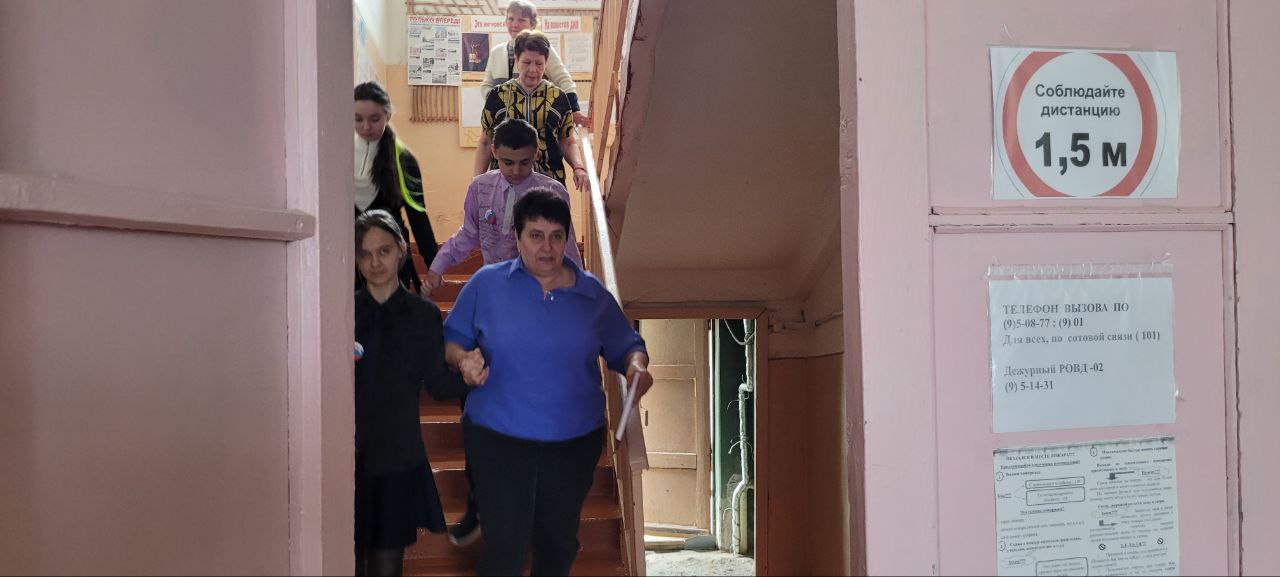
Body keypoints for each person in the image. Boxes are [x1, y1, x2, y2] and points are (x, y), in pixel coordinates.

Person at [443, 190, 653, 576]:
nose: (547, 247)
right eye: (536, 235)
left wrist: (636, 367)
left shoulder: (592, 295)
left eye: (557, 236)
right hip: (497, 436)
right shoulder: (486, 285)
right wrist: (463, 360)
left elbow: (627, 346)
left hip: (573, 441)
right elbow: (451, 340)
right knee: (506, 546)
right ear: (517, 237)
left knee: (558, 544)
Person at [354, 210, 468, 577]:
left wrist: (476, 375)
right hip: (348, 456)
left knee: (386, 565)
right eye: (365, 254)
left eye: (384, 251)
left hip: (397, 456)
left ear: (402, 251)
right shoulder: (342, 311)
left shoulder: (423, 315)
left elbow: (437, 384)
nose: (375, 263)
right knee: (345, 558)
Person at [424, 118, 582, 297]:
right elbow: (468, 234)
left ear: (536, 154)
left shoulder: (553, 192)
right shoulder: (479, 188)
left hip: (538, 290)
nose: (516, 170)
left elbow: (566, 245)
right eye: (508, 162)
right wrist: (437, 267)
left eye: (524, 162)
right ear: (494, 152)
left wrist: (578, 289)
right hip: (494, 287)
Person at [474, 30, 590, 192]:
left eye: (539, 63)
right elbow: (486, 142)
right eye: (527, 62)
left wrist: (579, 167)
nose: (533, 69)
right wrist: (477, 181)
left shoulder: (559, 98)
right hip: (504, 186)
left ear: (546, 62)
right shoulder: (497, 96)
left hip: (549, 184)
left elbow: (568, 141)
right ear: (517, 59)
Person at [356, 81, 439, 294]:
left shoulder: (403, 159)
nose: (366, 126)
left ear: (388, 115)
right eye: (358, 119)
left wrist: (434, 266)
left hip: (391, 258)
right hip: (352, 258)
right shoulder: (339, 155)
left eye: (374, 119)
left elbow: (418, 218)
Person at [480, 0, 588, 127]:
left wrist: (574, 109)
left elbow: (564, 80)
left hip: (537, 124)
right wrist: (498, 105)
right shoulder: (496, 52)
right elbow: (486, 86)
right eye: (511, 19)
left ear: (532, 24)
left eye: (521, 20)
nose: (514, 24)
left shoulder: (543, 49)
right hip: (503, 126)